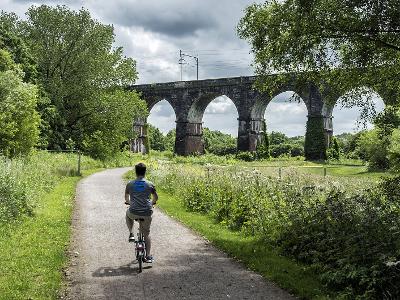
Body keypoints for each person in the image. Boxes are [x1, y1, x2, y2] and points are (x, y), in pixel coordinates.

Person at [125, 162, 158, 263]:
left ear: (136, 172)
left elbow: (126, 198)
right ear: (145, 172)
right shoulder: (150, 184)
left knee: (128, 214)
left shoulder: (130, 184)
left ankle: (131, 233)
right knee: (146, 234)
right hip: (147, 212)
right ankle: (148, 256)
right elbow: (155, 197)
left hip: (134, 211)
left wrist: (130, 202)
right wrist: (152, 203)